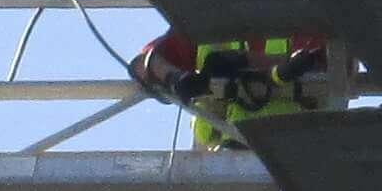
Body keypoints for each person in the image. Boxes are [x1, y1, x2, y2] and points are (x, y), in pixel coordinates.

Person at [134, 25, 341, 151]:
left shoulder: (298, 11)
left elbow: (320, 64)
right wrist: (176, 78)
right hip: (235, 140)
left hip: (295, 137)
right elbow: (145, 64)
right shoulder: (206, 18)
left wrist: (253, 66)